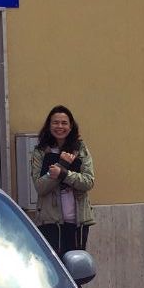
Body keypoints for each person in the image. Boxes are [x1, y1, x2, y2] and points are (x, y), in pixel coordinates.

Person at [30, 104, 95, 255]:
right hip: (50, 222)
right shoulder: (40, 151)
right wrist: (63, 164)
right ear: (49, 125)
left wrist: (63, 173)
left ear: (71, 126)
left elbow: (88, 181)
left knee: (77, 268)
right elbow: (40, 187)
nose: (60, 126)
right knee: (54, 269)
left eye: (64, 123)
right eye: (55, 122)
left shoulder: (80, 149)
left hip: (78, 222)